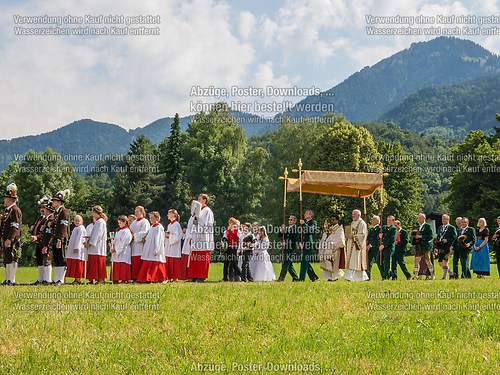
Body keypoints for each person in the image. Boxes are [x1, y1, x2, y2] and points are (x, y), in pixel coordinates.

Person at [188, 194, 214, 283]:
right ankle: (194, 275)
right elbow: (191, 223)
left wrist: (198, 223)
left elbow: (208, 225)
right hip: (196, 237)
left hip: (204, 237)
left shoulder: (207, 211)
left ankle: (201, 276)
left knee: (202, 257)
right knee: (195, 256)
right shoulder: (196, 211)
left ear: (204, 200)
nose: (198, 200)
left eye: (200, 199)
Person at [1, 183, 22, 286]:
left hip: (12, 238)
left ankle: (11, 280)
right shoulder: (8, 210)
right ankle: (8, 279)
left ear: (9, 199)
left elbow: (14, 226)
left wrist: (9, 239)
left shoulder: (14, 210)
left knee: (12, 258)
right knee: (7, 259)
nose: (4, 200)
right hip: (7, 238)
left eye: (5, 198)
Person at [137, 211, 167, 283]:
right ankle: (146, 278)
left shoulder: (159, 227)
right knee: (148, 261)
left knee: (156, 263)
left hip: (155, 249)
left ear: (157, 218)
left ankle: (160, 278)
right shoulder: (151, 227)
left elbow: (159, 239)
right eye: (150, 217)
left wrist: (157, 249)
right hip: (149, 248)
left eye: (152, 217)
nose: (150, 219)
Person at [50, 189, 71, 285]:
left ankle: (60, 279)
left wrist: (60, 239)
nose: (53, 202)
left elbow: (63, 227)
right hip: (55, 238)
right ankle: (56, 279)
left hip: (61, 238)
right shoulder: (56, 212)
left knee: (61, 258)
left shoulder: (64, 212)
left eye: (54, 201)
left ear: (59, 202)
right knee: (57, 259)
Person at [85, 205, 108, 284]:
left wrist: (90, 243)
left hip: (98, 246)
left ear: (95, 212)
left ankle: (101, 279)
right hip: (96, 246)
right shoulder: (98, 222)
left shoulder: (100, 222)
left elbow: (97, 234)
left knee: (98, 263)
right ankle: (95, 278)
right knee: (94, 263)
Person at [318, 214, 345, 281]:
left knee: (335, 264)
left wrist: (332, 244)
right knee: (328, 262)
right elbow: (326, 237)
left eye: (333, 220)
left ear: (337, 220)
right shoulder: (330, 228)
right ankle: (330, 277)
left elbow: (340, 238)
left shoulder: (339, 228)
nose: (332, 221)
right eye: (331, 219)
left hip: (335, 248)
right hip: (328, 248)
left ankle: (335, 277)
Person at [30, 197, 50, 285]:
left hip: (44, 241)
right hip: (39, 242)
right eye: (41, 207)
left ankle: (46, 279)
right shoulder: (40, 218)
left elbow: (45, 233)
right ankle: (40, 279)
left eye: (44, 207)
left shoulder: (48, 219)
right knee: (39, 261)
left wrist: (37, 237)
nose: (42, 209)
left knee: (46, 261)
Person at [345, 209, 369, 281]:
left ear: (359, 215)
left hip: (357, 245)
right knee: (353, 261)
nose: (352, 215)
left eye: (354, 214)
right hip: (351, 244)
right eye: (352, 214)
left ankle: (350, 277)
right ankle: (359, 277)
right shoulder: (353, 223)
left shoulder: (362, 223)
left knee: (355, 261)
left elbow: (363, 235)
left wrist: (353, 236)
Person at [130, 206, 150, 282]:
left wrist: (134, 235)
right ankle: (134, 277)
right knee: (134, 261)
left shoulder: (145, 222)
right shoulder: (134, 222)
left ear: (142, 212)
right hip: (133, 244)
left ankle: (140, 277)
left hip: (140, 245)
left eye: (137, 211)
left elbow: (145, 232)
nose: (136, 213)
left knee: (139, 261)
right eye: (135, 211)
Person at [110, 215, 133, 283]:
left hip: (124, 251)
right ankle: (116, 278)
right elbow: (115, 240)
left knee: (123, 264)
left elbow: (125, 242)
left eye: (120, 222)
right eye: (118, 223)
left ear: (125, 222)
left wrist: (117, 249)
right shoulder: (119, 231)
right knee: (117, 263)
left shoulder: (127, 231)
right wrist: (113, 247)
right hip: (117, 250)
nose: (119, 224)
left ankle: (124, 279)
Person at [434, 214, 457, 279]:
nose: (443, 220)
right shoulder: (440, 228)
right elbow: (438, 237)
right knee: (440, 262)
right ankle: (452, 273)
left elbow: (454, 238)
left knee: (445, 261)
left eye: (444, 219)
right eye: (442, 219)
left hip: (447, 246)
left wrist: (447, 240)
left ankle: (444, 277)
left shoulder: (451, 228)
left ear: (448, 220)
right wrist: (436, 247)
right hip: (441, 246)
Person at [412, 213, 434, 280]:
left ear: (424, 218)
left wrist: (421, 236)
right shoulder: (417, 227)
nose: (419, 219)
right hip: (419, 246)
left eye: (420, 218)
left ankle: (432, 274)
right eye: (418, 218)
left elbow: (431, 236)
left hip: (426, 246)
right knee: (416, 260)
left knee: (427, 260)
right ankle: (416, 275)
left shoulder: (428, 226)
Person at [277, 215, 299, 282]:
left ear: (295, 221)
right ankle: (295, 278)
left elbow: (295, 238)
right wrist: (282, 230)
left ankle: (281, 278)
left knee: (286, 262)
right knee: (289, 264)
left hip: (291, 247)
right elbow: (279, 235)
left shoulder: (296, 228)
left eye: (291, 220)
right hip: (286, 247)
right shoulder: (286, 228)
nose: (289, 221)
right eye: (289, 219)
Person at [65, 215, 87, 284]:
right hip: (72, 250)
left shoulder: (81, 228)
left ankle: (78, 279)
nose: (77, 222)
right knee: (74, 264)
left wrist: (77, 247)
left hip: (78, 251)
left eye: (78, 220)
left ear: (82, 221)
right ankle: (75, 279)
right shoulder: (75, 228)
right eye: (76, 220)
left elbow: (80, 239)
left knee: (78, 265)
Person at [180, 202, 197, 281]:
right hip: (188, 238)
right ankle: (186, 275)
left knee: (190, 258)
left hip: (191, 239)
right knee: (186, 257)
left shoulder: (196, 217)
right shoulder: (191, 217)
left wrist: (191, 238)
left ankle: (191, 276)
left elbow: (194, 229)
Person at [165, 209, 183, 282]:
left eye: (169, 213)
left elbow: (179, 235)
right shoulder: (169, 225)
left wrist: (169, 235)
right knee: (168, 260)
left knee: (174, 262)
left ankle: (175, 277)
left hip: (174, 246)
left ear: (173, 214)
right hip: (169, 245)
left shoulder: (176, 224)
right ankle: (169, 277)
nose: (167, 215)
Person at [379, 215, 397, 280]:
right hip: (382, 247)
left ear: (393, 221)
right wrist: (380, 236)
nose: (388, 222)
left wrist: (384, 245)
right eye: (387, 220)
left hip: (389, 248)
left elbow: (392, 239)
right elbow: (380, 235)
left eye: (390, 220)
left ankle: (386, 276)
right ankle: (388, 274)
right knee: (378, 260)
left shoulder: (393, 229)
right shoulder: (384, 227)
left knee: (386, 262)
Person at [224, 217, 241, 282]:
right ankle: (229, 278)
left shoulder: (238, 231)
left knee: (234, 263)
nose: (230, 224)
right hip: (229, 248)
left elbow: (240, 240)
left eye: (231, 223)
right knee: (228, 263)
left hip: (235, 248)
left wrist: (239, 250)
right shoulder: (227, 231)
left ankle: (239, 276)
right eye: (229, 223)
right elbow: (224, 239)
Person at [366, 215, 382, 280]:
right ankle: (367, 277)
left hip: (375, 248)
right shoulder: (371, 229)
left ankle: (384, 275)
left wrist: (371, 244)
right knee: (368, 263)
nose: (372, 221)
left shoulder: (379, 228)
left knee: (378, 262)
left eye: (373, 220)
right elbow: (369, 237)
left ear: (377, 221)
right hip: (370, 249)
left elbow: (377, 238)